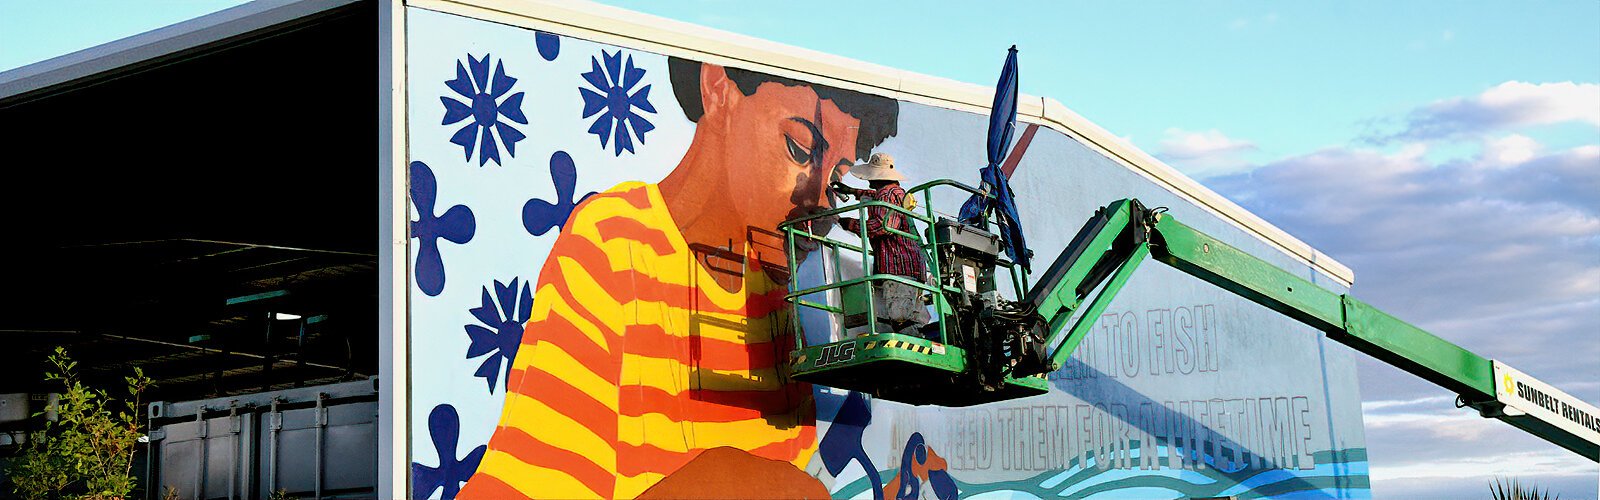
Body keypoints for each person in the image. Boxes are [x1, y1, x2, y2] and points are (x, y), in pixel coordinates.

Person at [458, 57, 898, 499]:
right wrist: (726, 479)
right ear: (717, 88)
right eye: (799, 149)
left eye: (838, 175)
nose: (820, 199)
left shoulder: (771, 286)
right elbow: (527, 485)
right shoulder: (613, 245)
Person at [836, 153, 932, 336]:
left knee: (900, 318)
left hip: (898, 267)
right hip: (910, 267)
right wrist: (854, 192)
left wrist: (850, 223)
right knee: (912, 318)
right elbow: (877, 198)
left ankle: (914, 352)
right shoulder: (893, 193)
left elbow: (883, 226)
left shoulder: (886, 195)